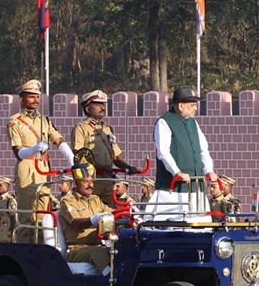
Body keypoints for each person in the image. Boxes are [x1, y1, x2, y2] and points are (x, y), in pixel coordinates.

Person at [7, 80, 75, 233]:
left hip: (43, 170)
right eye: (31, 97)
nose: (35, 100)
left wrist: (71, 158)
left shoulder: (44, 120)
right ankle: (26, 249)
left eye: (37, 97)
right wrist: (34, 149)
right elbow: (18, 152)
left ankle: (40, 247)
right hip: (27, 169)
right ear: (22, 98)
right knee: (27, 216)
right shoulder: (15, 122)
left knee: (42, 214)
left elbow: (57, 139)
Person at [150, 87, 218, 219]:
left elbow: (203, 149)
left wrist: (209, 170)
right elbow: (163, 152)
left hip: (196, 188)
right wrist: (176, 172)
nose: (195, 109)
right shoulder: (164, 122)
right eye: (192, 105)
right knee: (172, 226)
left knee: (200, 226)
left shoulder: (193, 123)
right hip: (172, 191)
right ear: (180, 106)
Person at [71, 89, 139, 202]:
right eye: (98, 104)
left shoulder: (107, 129)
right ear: (88, 109)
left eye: (103, 104)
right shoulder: (81, 128)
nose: (102, 107)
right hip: (92, 180)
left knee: (108, 213)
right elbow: (78, 156)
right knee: (92, 211)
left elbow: (116, 157)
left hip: (108, 180)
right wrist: (97, 167)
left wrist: (128, 168)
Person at [57, 163, 115, 274]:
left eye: (91, 181)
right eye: (85, 181)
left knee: (119, 250)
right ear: (75, 184)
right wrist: (95, 219)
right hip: (76, 248)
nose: (90, 185)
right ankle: (109, 281)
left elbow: (111, 212)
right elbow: (76, 223)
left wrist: (130, 214)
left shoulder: (95, 200)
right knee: (98, 253)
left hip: (99, 243)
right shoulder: (68, 201)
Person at [0, 176, 16, 243]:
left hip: (7, 232)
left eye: (0, 185)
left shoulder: (10, 200)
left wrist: (13, 234)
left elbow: (13, 218)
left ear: (6, 186)